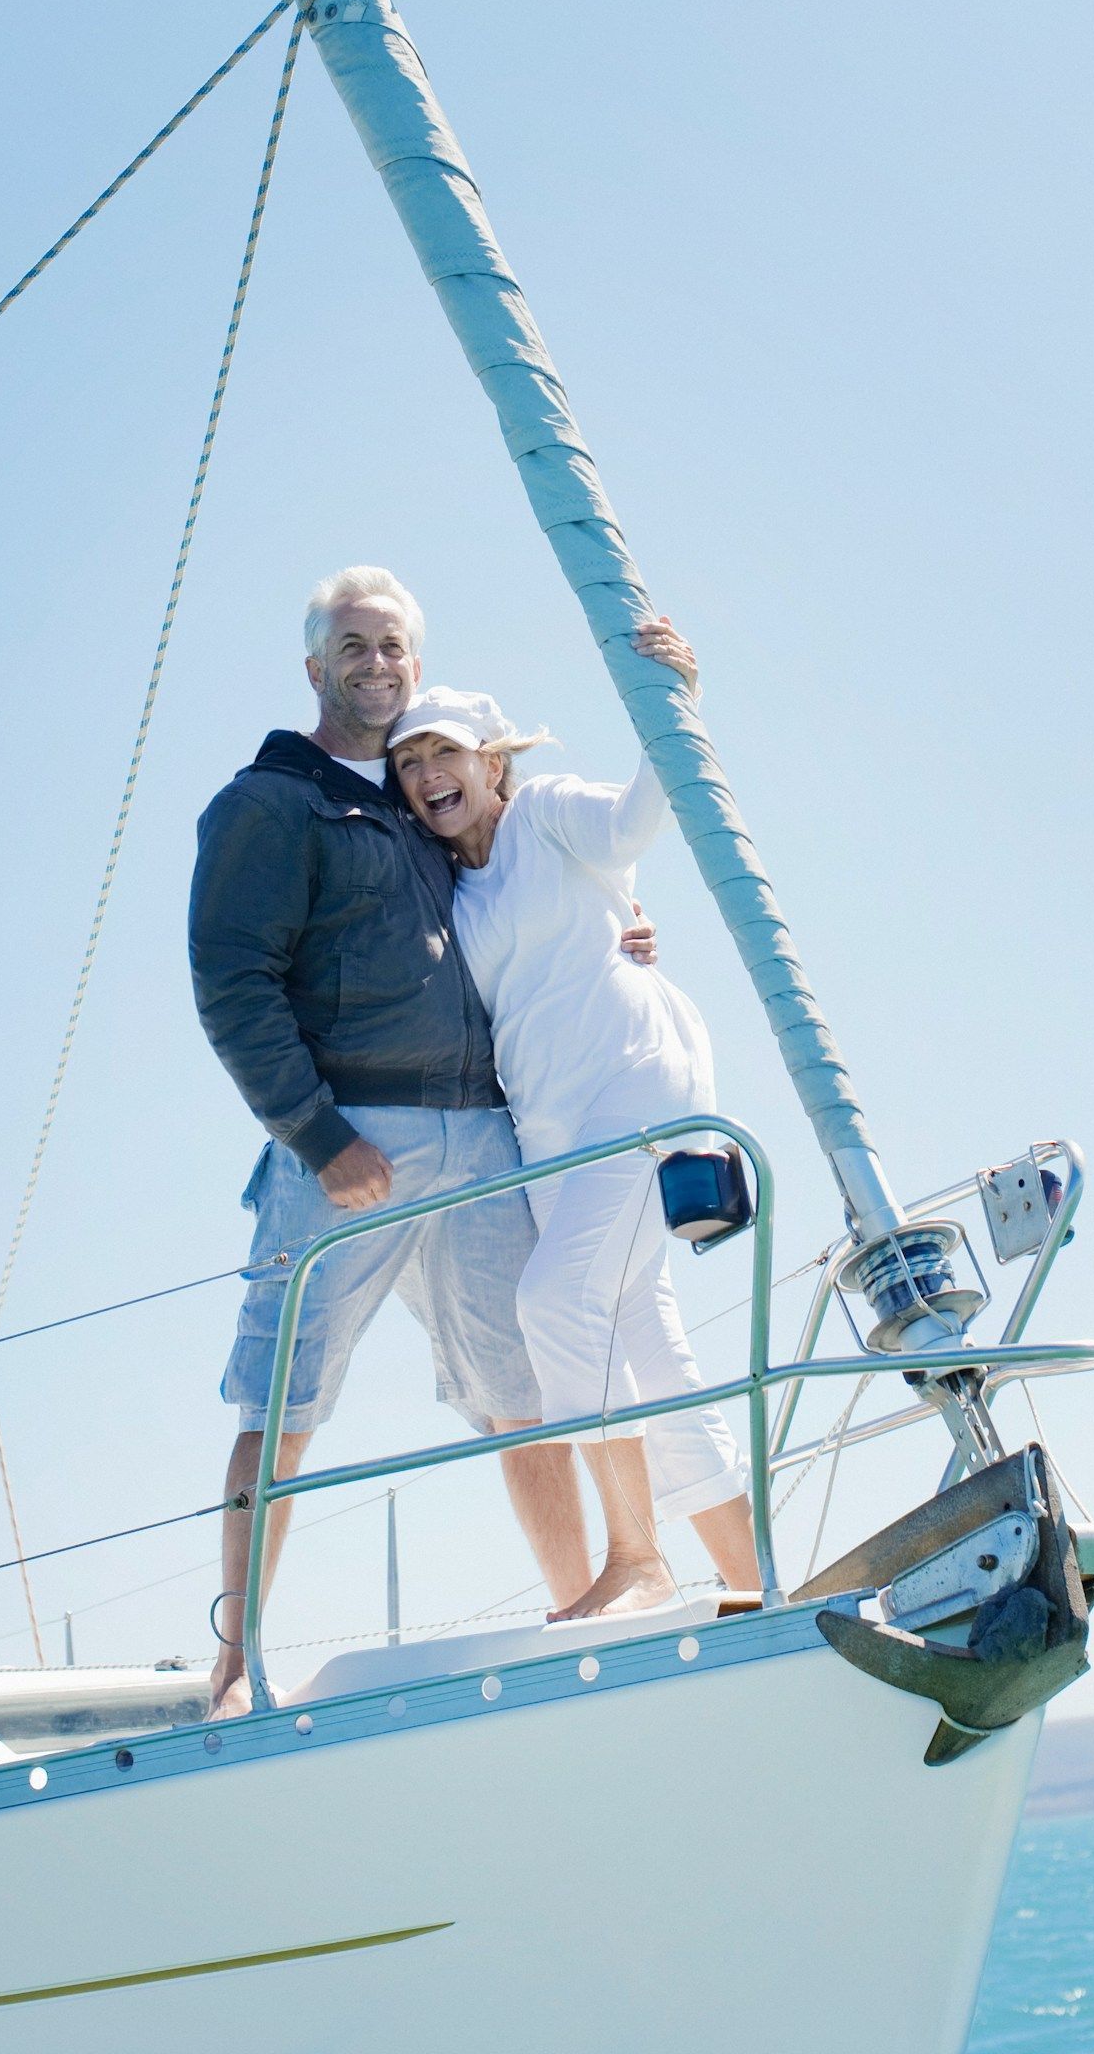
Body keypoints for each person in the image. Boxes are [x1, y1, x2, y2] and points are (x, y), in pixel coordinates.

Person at [187, 565, 652, 1716]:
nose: (377, 665)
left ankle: (575, 1612)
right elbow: (230, 983)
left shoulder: (417, 802)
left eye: (394, 646)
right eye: (354, 647)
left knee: (524, 1388)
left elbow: (526, 894)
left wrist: (622, 930)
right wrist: (317, 1134)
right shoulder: (268, 803)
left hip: (479, 1129)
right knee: (283, 1403)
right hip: (347, 1143)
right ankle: (241, 1666)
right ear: (314, 667)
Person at [389, 619, 763, 1621]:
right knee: (648, 1346)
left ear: (493, 760)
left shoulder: (548, 812)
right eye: (410, 761)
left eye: (446, 752)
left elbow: (643, 821)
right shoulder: (453, 897)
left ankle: (638, 1557)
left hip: (638, 1086)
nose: (429, 773)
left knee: (554, 1303)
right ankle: (758, 1587)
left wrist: (676, 696)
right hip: (551, 1136)